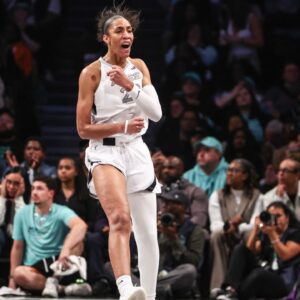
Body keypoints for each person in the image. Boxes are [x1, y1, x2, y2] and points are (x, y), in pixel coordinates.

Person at [76, 4, 162, 300]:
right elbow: (83, 129)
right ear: (105, 38)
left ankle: (147, 297)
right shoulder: (91, 73)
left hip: (137, 151)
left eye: (129, 30)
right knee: (121, 220)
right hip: (105, 152)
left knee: (149, 235)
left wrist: (131, 86)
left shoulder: (139, 67)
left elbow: (157, 114)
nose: (127, 35)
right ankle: (126, 288)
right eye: (119, 30)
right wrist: (122, 126)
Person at [8, 176, 88, 297]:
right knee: (18, 273)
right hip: (35, 268)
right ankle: (63, 289)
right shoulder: (22, 213)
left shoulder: (62, 210)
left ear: (50, 193)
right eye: (33, 188)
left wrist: (65, 250)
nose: (34, 192)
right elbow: (17, 247)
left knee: (78, 242)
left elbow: (81, 226)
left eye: (39, 189)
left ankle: (55, 281)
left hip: (60, 264)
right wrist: (12, 280)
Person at [216, 201, 300, 300]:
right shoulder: (266, 234)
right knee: (240, 249)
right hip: (265, 272)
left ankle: (233, 295)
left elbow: (285, 255)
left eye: (278, 216)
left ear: (287, 217)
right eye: (271, 216)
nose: (275, 220)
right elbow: (249, 251)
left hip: (283, 280)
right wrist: (256, 229)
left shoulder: (295, 234)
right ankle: (230, 289)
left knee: (259, 274)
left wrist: (272, 233)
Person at [209, 159, 263, 293]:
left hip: (246, 235)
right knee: (216, 235)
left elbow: (256, 224)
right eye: (229, 170)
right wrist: (228, 226)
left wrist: (238, 227)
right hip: (225, 234)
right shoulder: (218, 195)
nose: (230, 174)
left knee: (250, 234)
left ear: (245, 175)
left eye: (235, 171)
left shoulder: (257, 196)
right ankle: (218, 286)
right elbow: (215, 224)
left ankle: (245, 287)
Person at [0, 167, 26, 257]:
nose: (11, 187)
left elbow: (24, 225)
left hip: (20, 237)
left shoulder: (31, 197)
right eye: (9, 182)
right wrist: (2, 198)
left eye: (16, 184)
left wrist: (18, 198)